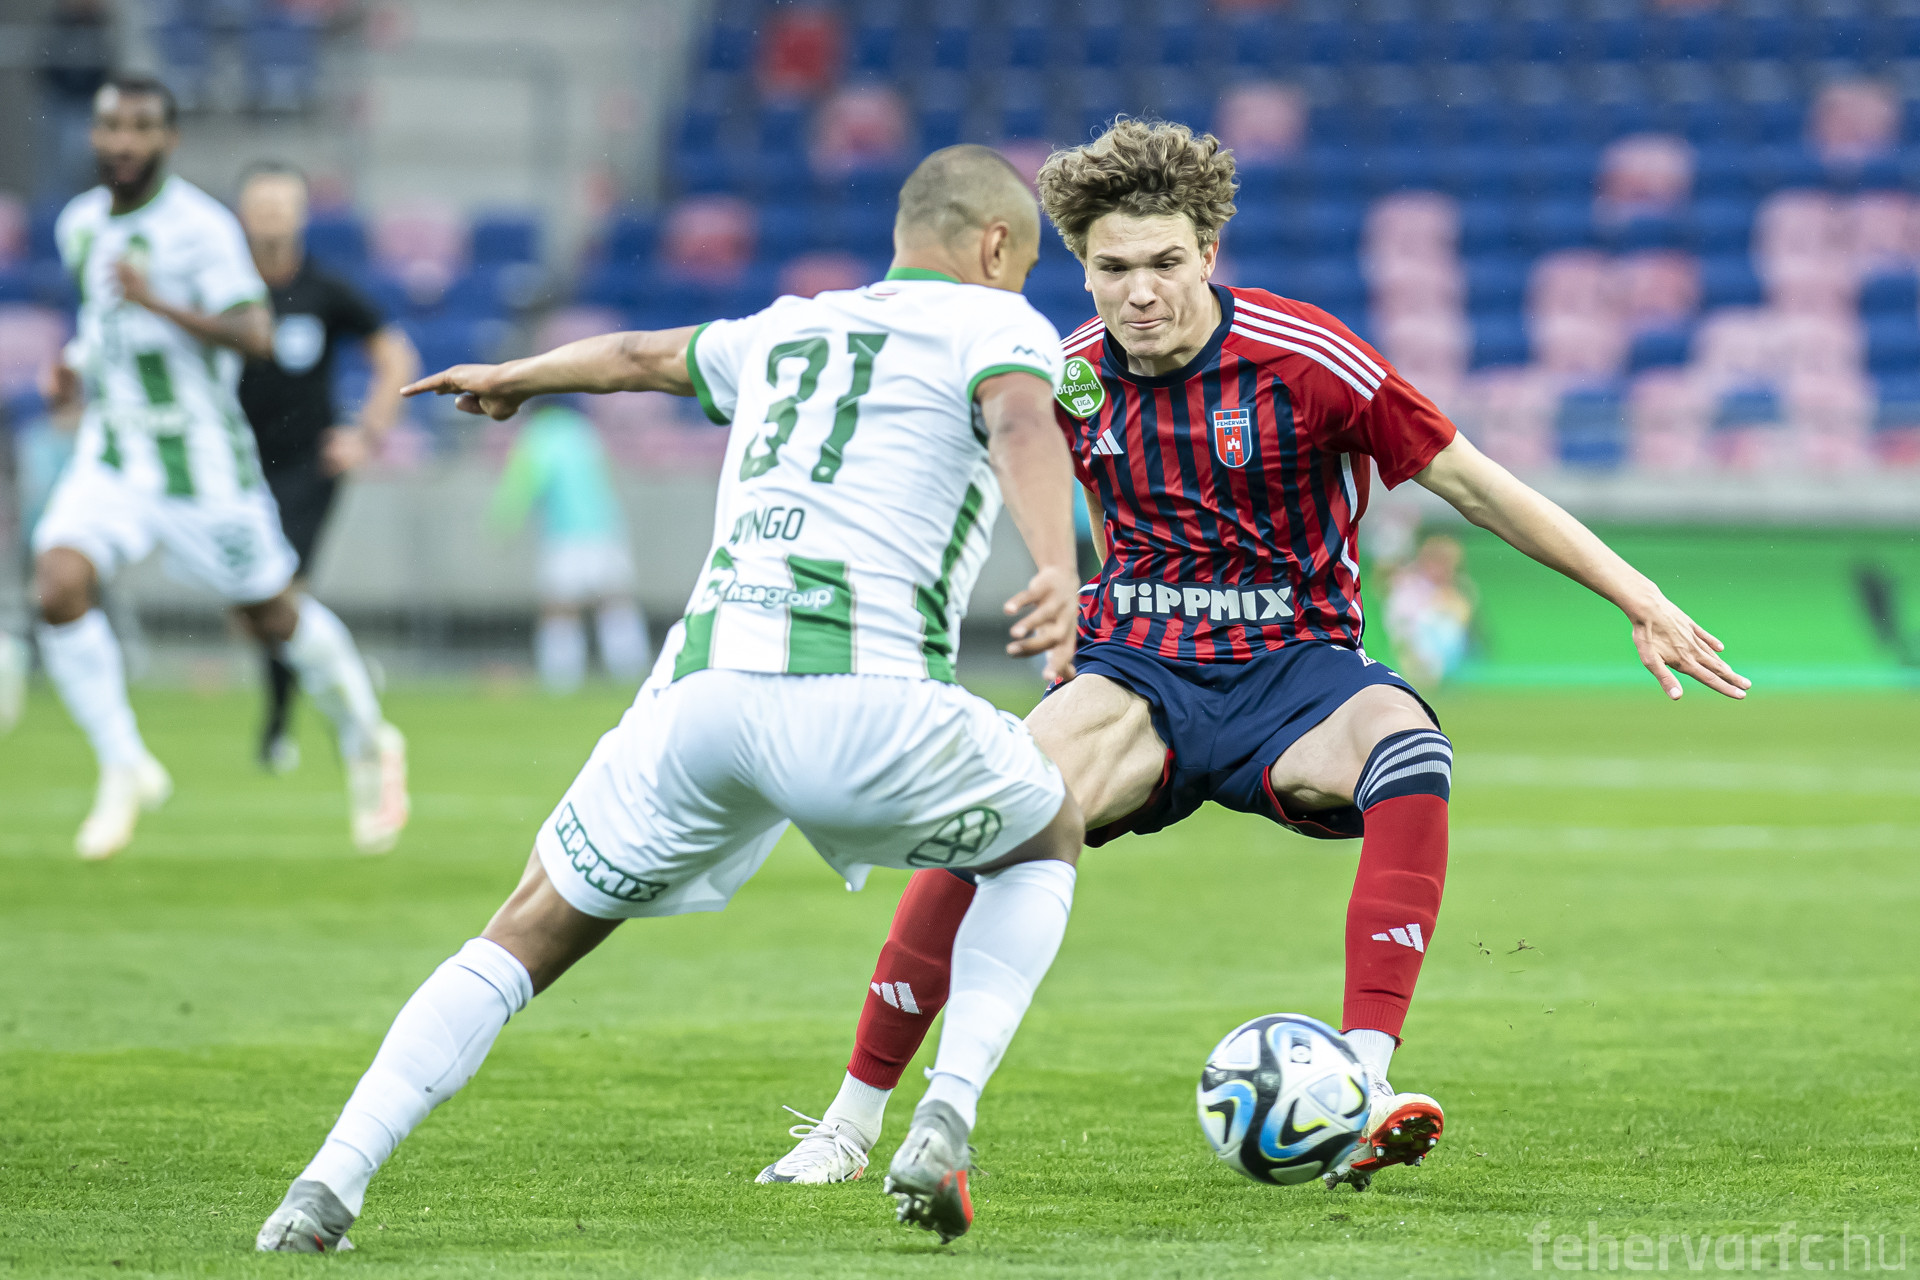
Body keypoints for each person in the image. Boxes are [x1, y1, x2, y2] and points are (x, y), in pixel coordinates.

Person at [758, 119, 1749, 1192]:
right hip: (1139, 675)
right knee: (984, 804)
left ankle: (1362, 1084)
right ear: (1080, 266)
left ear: (1209, 255)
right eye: (1114, 268)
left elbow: (1474, 483)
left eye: (1165, 263)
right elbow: (955, 479)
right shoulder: (1062, 378)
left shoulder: (1308, 358)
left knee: (1409, 749)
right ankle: (849, 1125)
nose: (1142, 292)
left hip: (1297, 673)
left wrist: (1638, 596)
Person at [257, 144, 1085, 1252]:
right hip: (863, 694)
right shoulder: (1000, 323)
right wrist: (1058, 567)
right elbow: (1023, 424)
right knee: (1045, 833)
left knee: (526, 928)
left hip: (702, 699)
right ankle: (947, 1110)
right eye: (1021, 263)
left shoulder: (787, 325)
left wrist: (516, 376)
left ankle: (326, 1182)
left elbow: (638, 355)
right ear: (995, 245)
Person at [30, 77, 409, 859]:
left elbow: (255, 333)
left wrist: (156, 302)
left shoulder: (201, 229)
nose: (123, 141)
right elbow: (103, 325)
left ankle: (367, 736)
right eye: (111, 126)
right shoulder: (79, 225)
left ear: (168, 140)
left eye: (141, 127)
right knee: (58, 584)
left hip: (202, 466)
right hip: (115, 453)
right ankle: (124, 763)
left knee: (271, 615)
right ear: (94, 135)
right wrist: (71, 367)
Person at [235, 162, 419, 773]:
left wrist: (366, 434)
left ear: (302, 214)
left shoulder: (325, 291)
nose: (271, 217)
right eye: (261, 205)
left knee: (279, 590)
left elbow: (396, 356)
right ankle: (333, 665)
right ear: (241, 213)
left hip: (305, 468)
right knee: (253, 605)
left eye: (282, 205)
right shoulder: (223, 291)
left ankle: (281, 725)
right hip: (233, 466)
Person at [487, 397, 651, 692]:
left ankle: (561, 679)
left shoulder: (537, 436)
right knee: (614, 602)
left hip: (565, 534)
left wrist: (503, 524)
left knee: (560, 608)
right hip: (606, 528)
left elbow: (523, 484)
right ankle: (630, 672)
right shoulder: (584, 431)